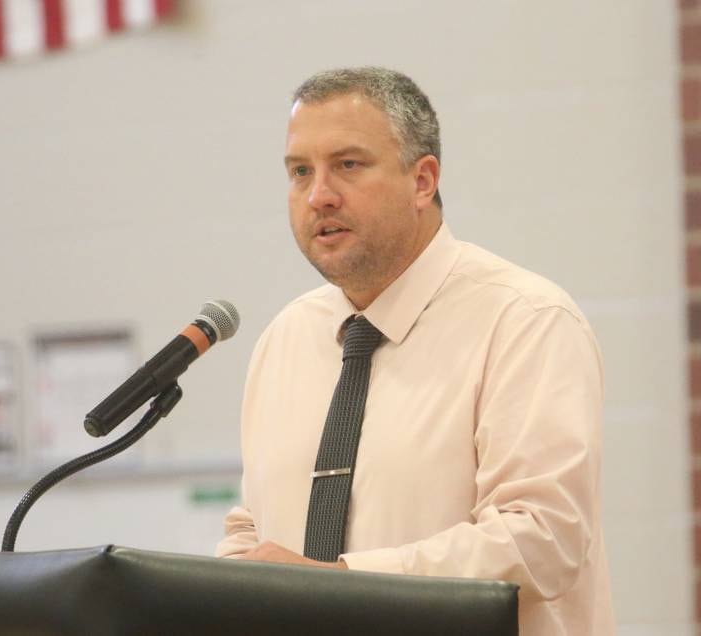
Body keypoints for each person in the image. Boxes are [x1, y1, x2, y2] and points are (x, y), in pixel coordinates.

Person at [216, 67, 614, 635]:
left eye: (347, 165)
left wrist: (337, 584)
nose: (319, 196)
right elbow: (253, 533)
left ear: (423, 180)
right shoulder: (284, 339)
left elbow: (541, 539)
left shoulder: (525, 320)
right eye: (300, 172)